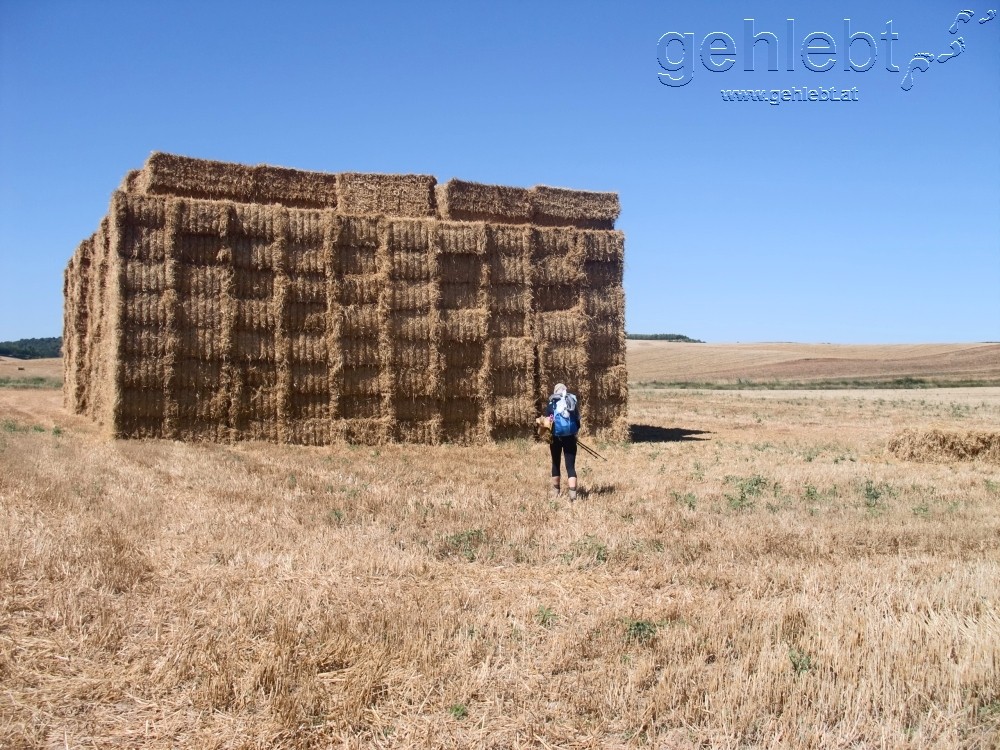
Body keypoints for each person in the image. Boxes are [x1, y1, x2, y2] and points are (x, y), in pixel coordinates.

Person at [544, 383, 581, 501]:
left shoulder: (551, 405)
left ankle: (556, 492)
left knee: (555, 463)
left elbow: (546, 424)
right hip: (570, 437)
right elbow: (578, 422)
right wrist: (574, 434)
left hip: (555, 438)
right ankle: (573, 495)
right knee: (570, 466)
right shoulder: (571, 402)